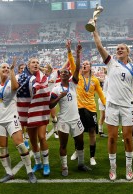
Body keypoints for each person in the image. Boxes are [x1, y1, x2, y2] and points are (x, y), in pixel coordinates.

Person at [93, 25, 133, 181]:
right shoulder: (111, 63)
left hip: (128, 106)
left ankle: (129, 167)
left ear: (128, 52)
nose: (119, 50)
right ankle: (112, 168)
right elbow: (99, 46)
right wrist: (94, 29)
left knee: (128, 137)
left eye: (122, 48)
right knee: (112, 138)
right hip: (112, 106)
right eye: (117, 48)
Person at [0, 58, 37, 183]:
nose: (6, 69)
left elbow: (15, 86)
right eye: (3, 68)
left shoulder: (12, 81)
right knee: (2, 149)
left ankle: (29, 171)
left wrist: (12, 71)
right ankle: (8, 172)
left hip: (12, 119)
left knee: (21, 146)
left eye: (7, 67)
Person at [50, 41, 91, 176]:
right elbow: (50, 105)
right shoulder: (56, 89)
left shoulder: (73, 84)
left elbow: (77, 68)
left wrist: (77, 54)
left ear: (69, 74)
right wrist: (59, 97)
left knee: (80, 143)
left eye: (66, 72)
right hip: (63, 121)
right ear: (60, 75)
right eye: (62, 72)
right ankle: (64, 167)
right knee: (63, 145)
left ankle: (81, 164)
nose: (64, 74)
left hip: (76, 119)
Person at [68, 40, 106, 166]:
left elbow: (100, 94)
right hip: (78, 108)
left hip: (91, 109)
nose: (84, 65)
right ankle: (76, 151)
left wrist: (106, 104)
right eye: (83, 64)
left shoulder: (95, 80)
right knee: (77, 132)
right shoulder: (77, 77)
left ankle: (92, 157)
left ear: (90, 67)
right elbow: (73, 64)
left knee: (91, 133)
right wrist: (70, 51)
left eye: (86, 64)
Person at [17, 57, 51, 176]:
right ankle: (38, 162)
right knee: (32, 140)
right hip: (27, 111)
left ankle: (46, 163)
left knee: (42, 137)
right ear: (28, 65)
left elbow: (45, 90)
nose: (35, 64)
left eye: (37, 62)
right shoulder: (21, 77)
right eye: (33, 62)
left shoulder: (42, 77)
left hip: (40, 110)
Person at [15, 63, 30, 149]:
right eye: (21, 68)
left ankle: (26, 139)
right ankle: (23, 139)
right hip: (19, 102)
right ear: (19, 70)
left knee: (28, 123)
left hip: (28, 102)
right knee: (21, 123)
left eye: (24, 68)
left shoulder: (30, 77)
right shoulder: (17, 77)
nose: (23, 69)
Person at [42, 63, 59, 139]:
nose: (45, 68)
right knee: (45, 116)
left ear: (49, 69)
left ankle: (56, 131)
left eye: (46, 67)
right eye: (44, 67)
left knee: (53, 115)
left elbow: (63, 67)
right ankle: (45, 131)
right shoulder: (42, 76)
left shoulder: (54, 74)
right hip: (43, 98)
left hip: (51, 97)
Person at [97, 68, 108, 138]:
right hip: (106, 98)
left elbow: (100, 79)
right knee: (109, 116)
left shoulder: (106, 78)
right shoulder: (109, 78)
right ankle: (112, 131)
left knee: (102, 116)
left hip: (101, 98)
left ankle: (100, 131)